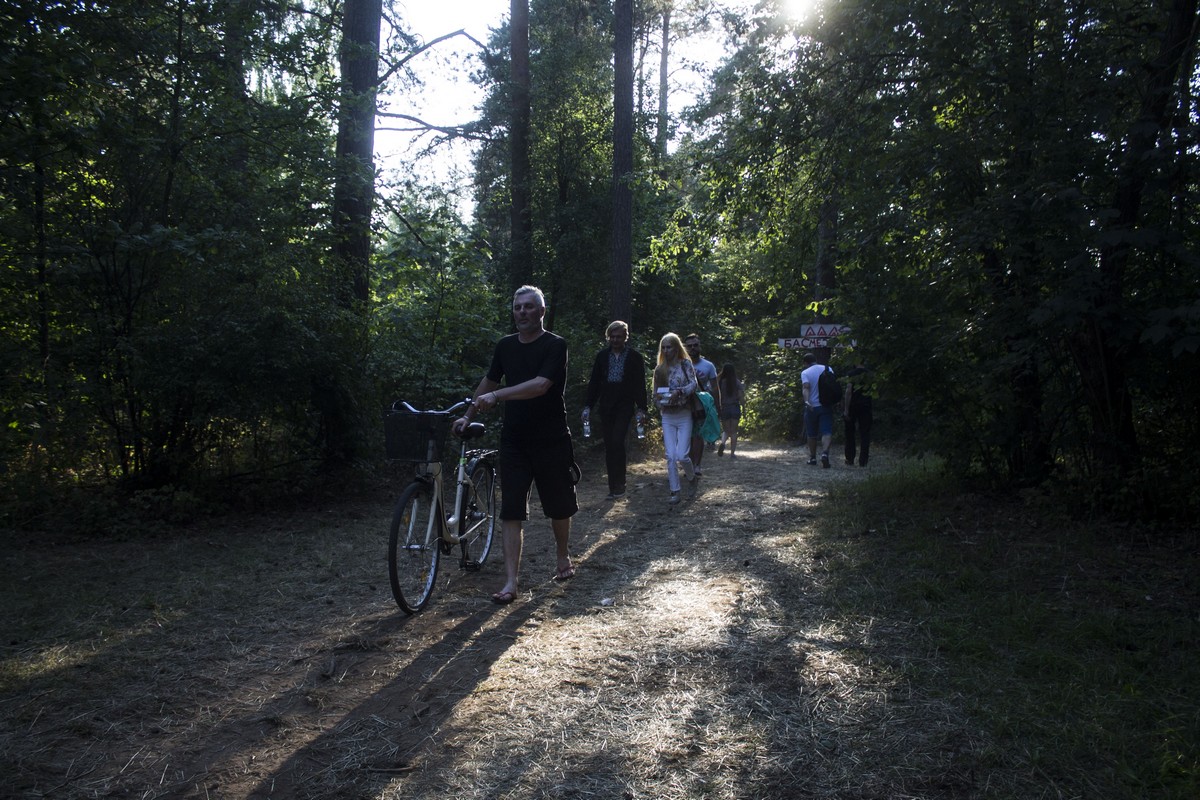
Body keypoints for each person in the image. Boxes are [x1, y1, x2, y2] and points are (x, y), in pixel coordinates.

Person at [453, 286, 577, 605]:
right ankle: (511, 582)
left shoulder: (555, 345)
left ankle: (562, 556)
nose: (521, 312)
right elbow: (489, 381)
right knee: (511, 510)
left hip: (551, 439)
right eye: (517, 308)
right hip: (515, 441)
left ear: (541, 312)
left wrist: (498, 396)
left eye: (528, 307)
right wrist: (469, 413)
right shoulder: (505, 346)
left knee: (559, 506)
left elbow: (540, 386)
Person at [583, 321, 649, 499]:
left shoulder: (634, 357)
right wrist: (588, 405)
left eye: (619, 336)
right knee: (610, 446)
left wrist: (642, 408)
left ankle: (620, 483)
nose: (615, 339)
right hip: (606, 405)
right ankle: (613, 486)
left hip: (625, 405)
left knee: (618, 441)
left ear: (625, 337)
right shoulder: (602, 357)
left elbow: (639, 384)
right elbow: (594, 383)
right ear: (608, 337)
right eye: (612, 336)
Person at [652, 332, 699, 504]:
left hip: (684, 413)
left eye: (669, 347)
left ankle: (692, 478)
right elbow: (655, 394)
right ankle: (675, 491)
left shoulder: (685, 364)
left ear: (676, 347)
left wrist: (679, 392)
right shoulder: (659, 369)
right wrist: (661, 402)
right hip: (668, 416)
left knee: (682, 455)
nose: (666, 350)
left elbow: (693, 384)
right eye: (663, 347)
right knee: (670, 455)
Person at [683, 333, 720, 476]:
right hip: (684, 405)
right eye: (690, 346)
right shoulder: (680, 363)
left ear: (700, 346)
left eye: (695, 345)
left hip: (701, 405)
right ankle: (690, 464)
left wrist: (717, 407)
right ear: (685, 348)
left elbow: (715, 388)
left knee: (698, 435)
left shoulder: (708, 366)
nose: (693, 348)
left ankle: (696, 465)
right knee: (687, 436)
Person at [800, 352, 836, 468]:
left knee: (812, 434)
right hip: (826, 405)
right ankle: (825, 453)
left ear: (805, 363)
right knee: (826, 431)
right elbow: (833, 385)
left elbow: (806, 387)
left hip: (812, 407)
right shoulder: (827, 368)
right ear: (815, 360)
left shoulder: (805, 372)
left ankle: (813, 457)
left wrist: (806, 401)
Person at [843, 363, 873, 467]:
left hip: (853, 406)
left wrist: (846, 409)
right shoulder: (870, 374)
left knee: (850, 433)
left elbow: (848, 391)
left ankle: (850, 458)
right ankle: (863, 460)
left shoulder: (851, 374)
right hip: (866, 406)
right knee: (865, 433)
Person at [716, 363, 745, 460]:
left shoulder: (720, 382)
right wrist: (744, 407)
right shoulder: (737, 382)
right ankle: (732, 454)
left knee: (726, 430)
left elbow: (716, 395)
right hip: (735, 407)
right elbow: (741, 397)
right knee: (733, 432)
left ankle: (723, 443)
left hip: (724, 408)